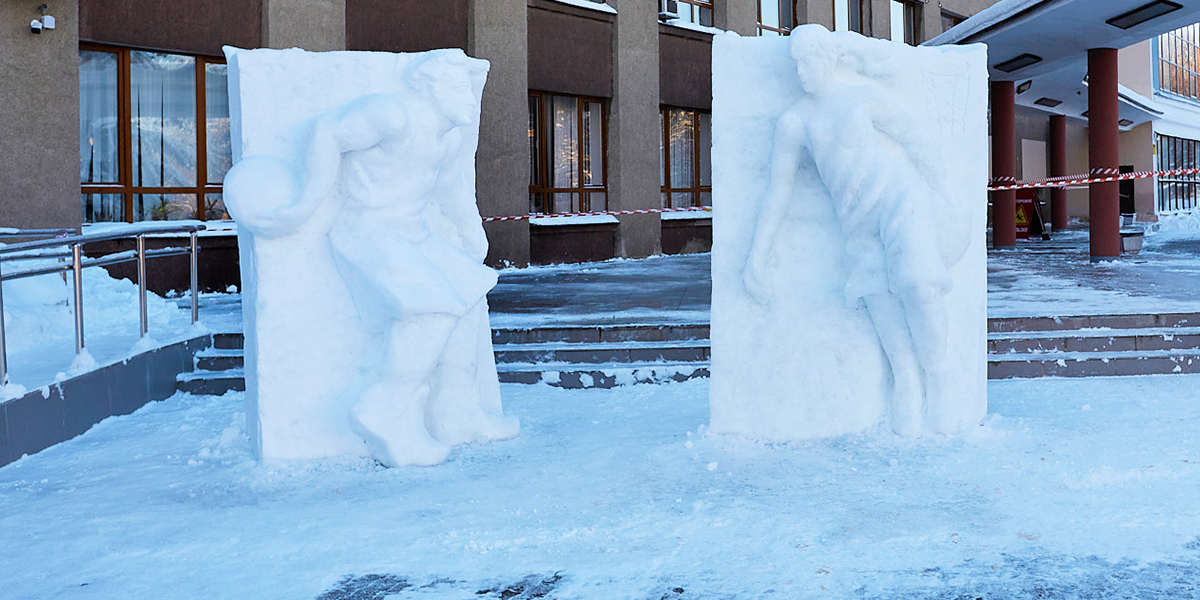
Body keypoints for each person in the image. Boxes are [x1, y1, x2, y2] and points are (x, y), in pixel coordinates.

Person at [226, 51, 517, 466]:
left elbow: (450, 187)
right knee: (431, 307)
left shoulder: (448, 136)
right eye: (458, 88)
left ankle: (457, 412)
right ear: (431, 87)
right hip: (367, 232)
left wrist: (472, 232)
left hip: (413, 234)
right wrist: (306, 200)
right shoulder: (392, 114)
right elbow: (328, 131)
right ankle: (385, 411)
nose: (469, 100)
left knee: (470, 296)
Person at [743, 26, 967, 436]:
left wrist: (944, 191)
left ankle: (939, 375)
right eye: (795, 63)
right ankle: (906, 379)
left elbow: (913, 136)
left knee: (917, 283)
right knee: (876, 291)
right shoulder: (795, 121)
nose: (800, 71)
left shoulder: (860, 98)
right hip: (856, 219)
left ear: (827, 59)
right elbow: (778, 190)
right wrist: (758, 254)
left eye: (807, 61)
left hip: (900, 197)